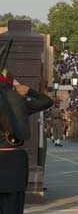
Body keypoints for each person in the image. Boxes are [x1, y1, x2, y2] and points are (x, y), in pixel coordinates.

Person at [0, 39, 53, 214]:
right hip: (16, 160)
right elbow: (46, 101)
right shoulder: (19, 103)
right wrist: (28, 90)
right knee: (14, 205)